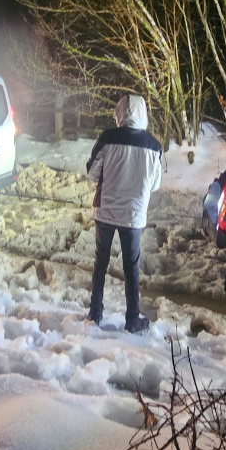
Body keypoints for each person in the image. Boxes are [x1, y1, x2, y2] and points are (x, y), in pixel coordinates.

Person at [85, 94, 164, 333]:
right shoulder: (154, 146)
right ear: (144, 113)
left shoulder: (107, 138)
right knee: (131, 267)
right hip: (133, 215)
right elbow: (155, 184)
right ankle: (132, 319)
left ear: (119, 113)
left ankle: (95, 313)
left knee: (101, 262)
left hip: (106, 212)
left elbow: (92, 172)